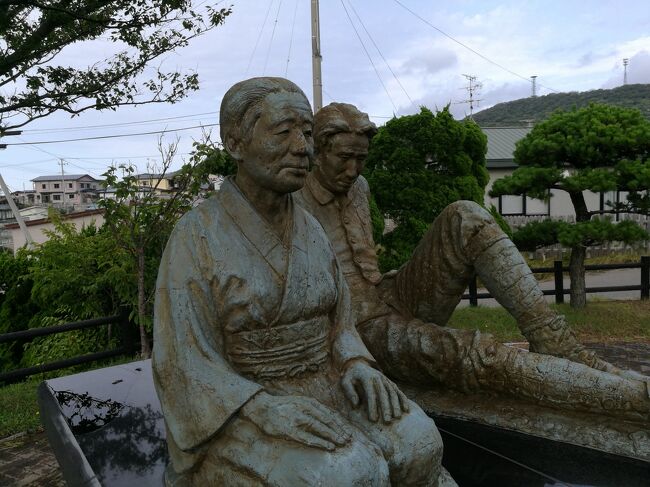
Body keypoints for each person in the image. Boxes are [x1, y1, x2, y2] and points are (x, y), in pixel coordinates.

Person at [152, 79, 456, 486]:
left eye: (307, 133)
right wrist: (261, 409)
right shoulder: (197, 235)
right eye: (283, 132)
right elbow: (184, 361)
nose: (303, 147)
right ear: (235, 144)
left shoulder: (310, 227)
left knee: (420, 445)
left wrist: (355, 362)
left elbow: (340, 319)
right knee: (347, 474)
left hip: (327, 378)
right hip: (244, 403)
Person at [295, 102, 650, 418]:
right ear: (316, 152)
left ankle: (554, 339)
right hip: (360, 331)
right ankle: (633, 398)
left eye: (362, 159)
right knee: (472, 351)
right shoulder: (291, 200)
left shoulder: (359, 188)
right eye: (345, 158)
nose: (355, 169)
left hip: (389, 295)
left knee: (465, 215)